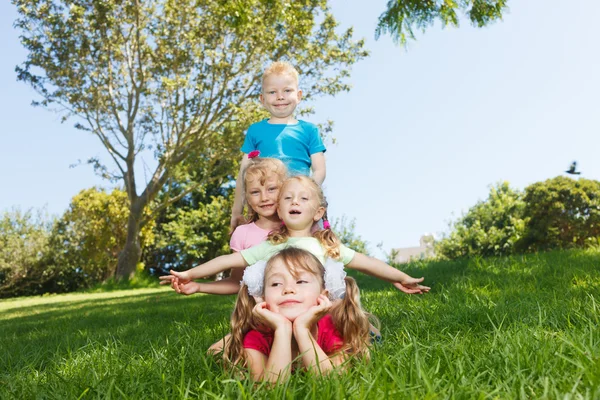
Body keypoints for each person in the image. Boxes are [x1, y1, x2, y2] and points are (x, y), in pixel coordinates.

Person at [160, 175, 430, 296]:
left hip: (319, 315)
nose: (294, 202)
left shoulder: (325, 245)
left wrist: (401, 277)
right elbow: (228, 261)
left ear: (317, 212)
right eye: (288, 198)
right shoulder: (272, 245)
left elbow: (369, 263)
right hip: (282, 312)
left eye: (303, 198)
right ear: (280, 208)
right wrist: (191, 274)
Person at [223, 247, 377, 381]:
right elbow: (269, 390)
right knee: (219, 348)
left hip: (355, 327)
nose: (288, 289)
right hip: (262, 329)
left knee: (370, 334)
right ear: (262, 298)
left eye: (301, 281)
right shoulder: (256, 338)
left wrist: (302, 330)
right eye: (276, 283)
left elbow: (333, 381)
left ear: (323, 294)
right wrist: (282, 329)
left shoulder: (333, 327)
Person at [230, 61, 326, 233]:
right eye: (272, 92)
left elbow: (319, 170)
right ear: (262, 99)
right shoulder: (255, 131)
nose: (280, 96)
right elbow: (244, 174)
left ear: (299, 95)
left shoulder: (309, 130)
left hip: (298, 208)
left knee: (311, 250)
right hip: (266, 207)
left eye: (287, 91)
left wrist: (304, 194)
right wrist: (237, 211)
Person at [196, 157, 287, 295]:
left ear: (285, 189)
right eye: (255, 192)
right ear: (247, 198)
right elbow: (236, 282)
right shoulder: (243, 233)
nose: (264, 198)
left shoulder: (297, 226)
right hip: (260, 309)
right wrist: (198, 287)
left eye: (271, 189)